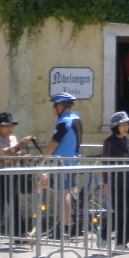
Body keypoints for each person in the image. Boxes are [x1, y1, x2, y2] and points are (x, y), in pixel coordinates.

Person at [0, 112, 33, 248]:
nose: (10, 129)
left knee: (15, 207)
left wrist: (24, 157)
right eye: (7, 126)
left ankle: (19, 236)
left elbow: (15, 154)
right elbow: (7, 153)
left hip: (13, 175)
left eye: (11, 125)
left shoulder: (13, 138)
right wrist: (22, 144)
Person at [43, 93, 82, 237]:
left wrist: (43, 157)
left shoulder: (63, 122)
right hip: (73, 161)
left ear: (60, 107)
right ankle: (75, 224)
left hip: (62, 162)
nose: (53, 109)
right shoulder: (76, 119)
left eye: (55, 106)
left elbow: (53, 143)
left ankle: (64, 228)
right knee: (72, 193)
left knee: (63, 194)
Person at [102, 111, 129, 250]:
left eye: (127, 124)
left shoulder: (128, 141)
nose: (125, 127)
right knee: (120, 212)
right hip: (115, 183)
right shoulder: (109, 141)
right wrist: (106, 183)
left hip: (128, 182)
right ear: (116, 127)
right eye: (122, 125)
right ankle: (106, 236)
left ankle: (122, 242)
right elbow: (106, 163)